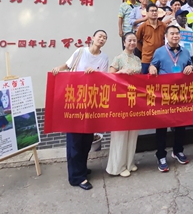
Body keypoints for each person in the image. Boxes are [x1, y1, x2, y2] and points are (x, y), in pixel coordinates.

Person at [51, 30, 109, 191]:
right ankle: (76, 177)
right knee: (75, 140)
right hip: (75, 102)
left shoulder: (104, 58)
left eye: (105, 38)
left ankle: (81, 168)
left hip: (91, 102)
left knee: (86, 140)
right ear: (93, 38)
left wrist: (95, 73)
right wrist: (58, 68)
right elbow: (67, 65)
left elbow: (104, 78)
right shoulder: (81, 51)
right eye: (100, 36)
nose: (102, 39)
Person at [149, 25, 193, 172]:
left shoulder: (185, 51)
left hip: (181, 95)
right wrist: (152, 68)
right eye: (172, 33)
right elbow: (152, 65)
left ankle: (178, 150)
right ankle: (161, 155)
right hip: (164, 96)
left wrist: (191, 67)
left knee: (180, 125)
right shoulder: (159, 52)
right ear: (166, 36)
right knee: (162, 127)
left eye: (177, 33)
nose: (175, 36)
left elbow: (190, 65)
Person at [106, 32, 142, 177]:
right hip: (121, 99)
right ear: (124, 42)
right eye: (129, 40)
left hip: (134, 99)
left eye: (134, 40)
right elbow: (109, 76)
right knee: (120, 134)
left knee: (133, 133)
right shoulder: (118, 58)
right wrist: (121, 72)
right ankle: (117, 167)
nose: (132, 43)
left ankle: (129, 162)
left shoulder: (138, 59)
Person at [136, 4, 166, 74]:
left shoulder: (163, 25)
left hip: (161, 58)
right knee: (146, 79)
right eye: (152, 11)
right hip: (147, 59)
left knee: (161, 79)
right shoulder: (143, 26)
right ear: (147, 13)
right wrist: (143, 50)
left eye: (156, 11)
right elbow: (137, 41)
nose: (154, 13)